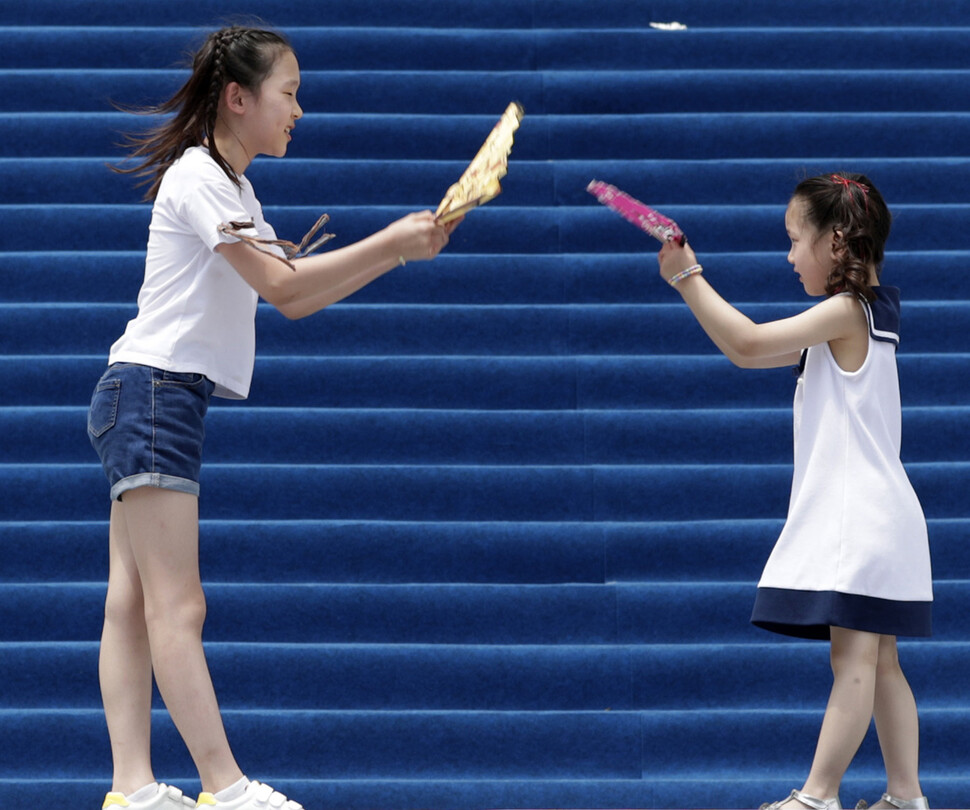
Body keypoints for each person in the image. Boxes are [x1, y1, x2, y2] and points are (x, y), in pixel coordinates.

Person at [88, 25, 459, 810]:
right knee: (177, 605)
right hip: (153, 393)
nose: (298, 110)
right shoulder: (199, 178)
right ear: (238, 98)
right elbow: (287, 289)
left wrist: (394, 253)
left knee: (132, 599)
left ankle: (132, 788)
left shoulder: (234, 187)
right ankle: (224, 788)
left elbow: (292, 297)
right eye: (288, 93)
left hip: (150, 394)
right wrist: (391, 239)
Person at [655, 173, 932, 810]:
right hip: (885, 516)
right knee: (881, 661)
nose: (788, 256)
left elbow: (749, 343)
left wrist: (685, 276)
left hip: (860, 517)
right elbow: (747, 351)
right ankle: (906, 796)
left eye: (794, 240)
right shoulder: (864, 315)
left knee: (854, 661)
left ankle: (818, 796)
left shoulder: (844, 311)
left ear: (836, 244)